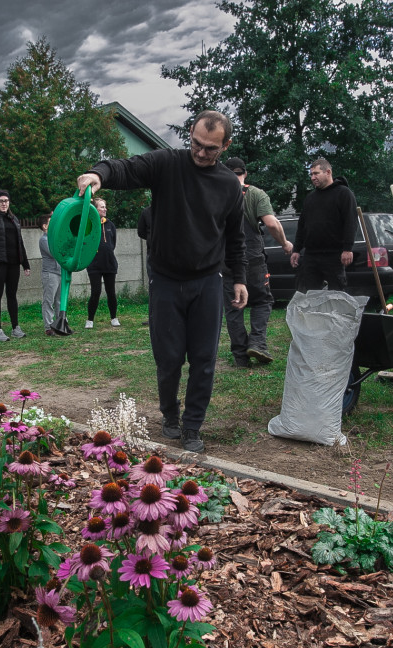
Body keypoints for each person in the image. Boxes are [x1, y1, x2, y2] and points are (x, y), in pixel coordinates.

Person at [75, 110, 247, 453]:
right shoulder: (167, 164)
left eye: (210, 149)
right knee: (168, 358)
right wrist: (98, 174)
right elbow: (127, 167)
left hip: (207, 282)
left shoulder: (229, 185)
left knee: (204, 359)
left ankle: (193, 425)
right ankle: (170, 413)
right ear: (190, 135)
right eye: (196, 144)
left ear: (225, 146)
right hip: (166, 280)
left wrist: (239, 278)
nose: (200, 153)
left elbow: (236, 237)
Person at [222, 157, 292, 367]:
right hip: (251, 257)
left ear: (225, 173)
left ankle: (241, 357)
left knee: (234, 306)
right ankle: (258, 343)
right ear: (245, 173)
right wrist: (285, 243)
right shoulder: (255, 194)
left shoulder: (216, 193)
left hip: (225, 259)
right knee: (262, 301)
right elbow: (271, 223)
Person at [289, 158, 358, 292]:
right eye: (311, 174)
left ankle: (337, 314)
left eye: (316, 173)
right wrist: (296, 249)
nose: (313, 177)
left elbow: (351, 222)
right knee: (310, 294)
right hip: (311, 255)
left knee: (336, 295)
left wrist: (348, 248)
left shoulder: (343, 194)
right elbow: (302, 225)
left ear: (328, 172)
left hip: (334, 254)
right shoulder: (310, 198)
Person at [0, 190, 31, 342]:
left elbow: (20, 243)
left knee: (12, 295)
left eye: (6, 201)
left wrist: (25, 264)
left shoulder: (14, 219)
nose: (4, 203)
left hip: (13, 263)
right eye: (1, 201)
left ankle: (15, 327)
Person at [85, 197, 120, 329]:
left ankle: (114, 318)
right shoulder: (90, 224)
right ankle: (90, 320)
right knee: (96, 292)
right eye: (101, 207)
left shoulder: (110, 225)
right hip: (94, 265)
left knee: (111, 292)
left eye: (105, 207)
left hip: (109, 264)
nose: (105, 209)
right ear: (95, 209)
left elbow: (113, 243)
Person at [37, 211, 61, 336]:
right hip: (50, 273)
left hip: (60, 272)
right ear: (45, 226)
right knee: (49, 300)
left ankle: (60, 324)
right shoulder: (44, 240)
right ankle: (49, 326)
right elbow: (55, 253)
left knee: (59, 301)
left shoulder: (55, 238)